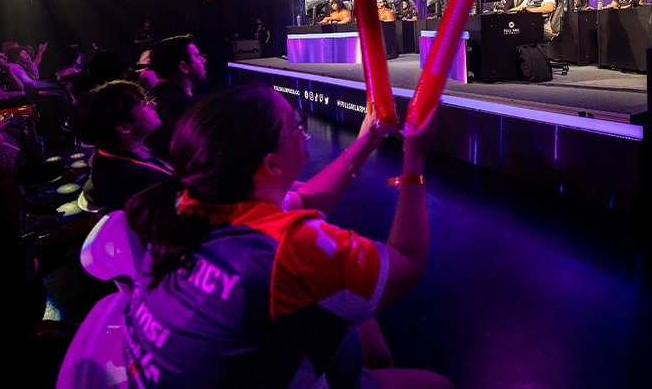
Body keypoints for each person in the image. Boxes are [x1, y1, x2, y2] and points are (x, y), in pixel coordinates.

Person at [122, 85, 453, 388]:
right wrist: (414, 162)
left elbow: (305, 199)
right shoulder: (286, 247)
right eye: (296, 123)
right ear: (271, 164)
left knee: (368, 338)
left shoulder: (186, 207)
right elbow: (405, 266)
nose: (302, 128)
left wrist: (368, 140)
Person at [72, 80, 169, 211]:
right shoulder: (138, 182)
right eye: (144, 104)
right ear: (124, 127)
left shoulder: (111, 156)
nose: (154, 104)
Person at [144, 34, 208, 158]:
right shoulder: (191, 112)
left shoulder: (153, 99)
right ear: (183, 67)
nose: (203, 60)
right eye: (197, 56)